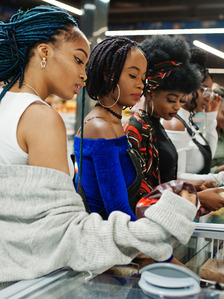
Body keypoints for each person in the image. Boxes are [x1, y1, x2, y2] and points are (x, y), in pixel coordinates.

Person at [0, 7, 198, 298]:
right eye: (78, 59)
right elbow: (69, 238)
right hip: (24, 288)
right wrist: (164, 223)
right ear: (44, 52)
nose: (84, 74)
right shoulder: (40, 118)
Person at [125, 36, 224, 212]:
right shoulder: (138, 128)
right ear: (150, 92)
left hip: (165, 215)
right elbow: (142, 193)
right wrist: (197, 197)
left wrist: (201, 186)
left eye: (180, 99)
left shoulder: (156, 124)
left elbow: (167, 181)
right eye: (172, 99)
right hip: (151, 219)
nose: (177, 106)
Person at [74, 36, 145, 221]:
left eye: (143, 78)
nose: (140, 84)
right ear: (108, 73)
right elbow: (118, 211)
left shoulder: (112, 123)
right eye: (132, 75)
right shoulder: (100, 128)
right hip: (102, 241)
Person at [163, 47, 224, 186]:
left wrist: (211, 116)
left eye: (209, 91)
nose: (208, 97)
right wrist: (223, 177)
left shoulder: (187, 122)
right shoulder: (175, 123)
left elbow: (208, 155)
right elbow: (177, 178)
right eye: (203, 89)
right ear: (188, 85)